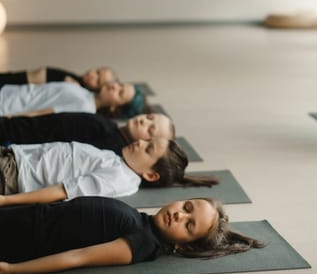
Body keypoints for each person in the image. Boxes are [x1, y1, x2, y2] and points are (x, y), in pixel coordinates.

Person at [0, 196, 264, 274]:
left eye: (188, 225)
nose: (179, 215)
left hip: (19, 238)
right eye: (186, 207)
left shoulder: (143, 243)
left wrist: (11, 270)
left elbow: (78, 257)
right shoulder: (142, 221)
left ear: (183, 246)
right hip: (23, 218)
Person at [0, 137, 218, 204]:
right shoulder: (119, 162)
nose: (140, 141)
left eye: (148, 148)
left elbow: (64, 191)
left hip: (13, 175)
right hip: (14, 158)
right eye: (147, 140)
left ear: (150, 174)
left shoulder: (120, 178)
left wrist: (7, 201)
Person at [0, 112, 175, 156]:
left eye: (150, 129)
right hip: (15, 127)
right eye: (149, 117)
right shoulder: (110, 126)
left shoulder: (111, 144)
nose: (144, 121)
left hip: (12, 140)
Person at [0, 81, 146, 119]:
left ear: (115, 107)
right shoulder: (85, 93)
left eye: (120, 93)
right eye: (120, 84)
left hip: (7, 108)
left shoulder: (84, 107)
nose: (115, 86)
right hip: (8, 94)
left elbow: (43, 113)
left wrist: (7, 119)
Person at [0, 66, 117, 92]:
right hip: (12, 81)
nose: (92, 75)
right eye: (97, 72)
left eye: (97, 80)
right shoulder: (74, 78)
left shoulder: (74, 88)